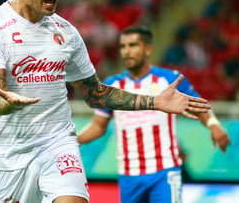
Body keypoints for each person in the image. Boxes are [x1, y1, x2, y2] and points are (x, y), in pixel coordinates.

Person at [0, 0, 210, 203]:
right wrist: (7, 103)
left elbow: (96, 94)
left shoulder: (66, 33)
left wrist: (154, 101)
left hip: (57, 145)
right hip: (9, 157)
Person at [78, 25, 230, 203]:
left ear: (148, 49)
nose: (127, 51)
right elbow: (98, 125)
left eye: (133, 45)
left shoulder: (169, 80)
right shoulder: (112, 85)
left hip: (164, 171)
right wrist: (74, 139)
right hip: (129, 174)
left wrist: (213, 124)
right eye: (123, 46)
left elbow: (199, 106)